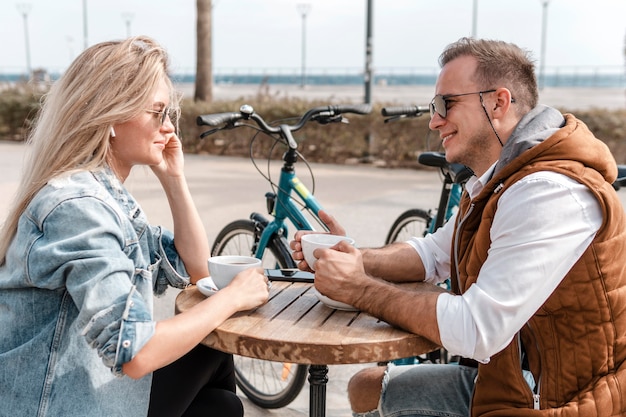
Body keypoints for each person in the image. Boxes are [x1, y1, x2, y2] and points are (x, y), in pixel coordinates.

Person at [291, 37, 626, 416]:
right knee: (367, 387)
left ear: (498, 102)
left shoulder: (547, 192)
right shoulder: (498, 182)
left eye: (446, 104)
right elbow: (432, 254)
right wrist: (352, 257)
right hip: (510, 382)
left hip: (567, 401)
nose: (434, 120)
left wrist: (360, 288)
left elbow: (477, 330)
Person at [0, 36, 270, 417]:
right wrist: (232, 298)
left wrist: (174, 179)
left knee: (220, 401)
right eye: (157, 112)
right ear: (111, 117)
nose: (169, 127)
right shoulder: (78, 208)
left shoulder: (103, 196)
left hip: (84, 390)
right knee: (213, 366)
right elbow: (136, 353)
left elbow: (196, 268)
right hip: (56, 404)